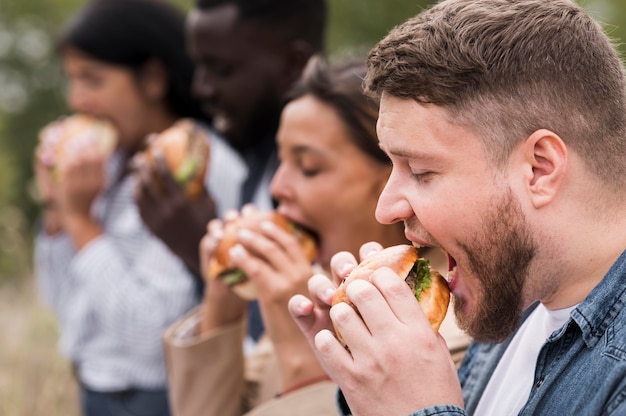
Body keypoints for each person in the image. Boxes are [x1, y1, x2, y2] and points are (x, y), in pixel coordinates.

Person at [288, 0, 626, 415]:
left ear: (539, 168)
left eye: (421, 171)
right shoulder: (513, 286)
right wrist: (370, 383)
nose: (386, 208)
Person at [163, 57, 470, 416]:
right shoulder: (320, 291)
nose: (278, 187)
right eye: (280, 161)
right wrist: (222, 310)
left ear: (393, 175)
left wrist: (303, 362)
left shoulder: (447, 327)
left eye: (308, 167)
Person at [33, 0, 209, 414]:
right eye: (72, 80)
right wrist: (58, 211)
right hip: (96, 390)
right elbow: (60, 302)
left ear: (152, 79)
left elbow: (151, 337)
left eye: (92, 80)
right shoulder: (107, 167)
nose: (77, 99)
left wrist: (81, 221)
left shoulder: (192, 164)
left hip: (155, 398)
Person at [135, 0, 327, 346]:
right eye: (199, 68)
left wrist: (200, 251)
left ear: (292, 63)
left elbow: (295, 338)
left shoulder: (331, 183)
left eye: (221, 70)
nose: (200, 88)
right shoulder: (253, 160)